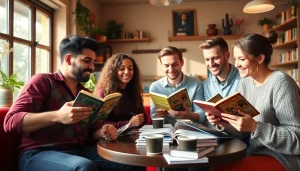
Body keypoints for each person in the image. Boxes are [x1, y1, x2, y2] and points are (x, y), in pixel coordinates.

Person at [3, 35, 145, 171]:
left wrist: (104, 131)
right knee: (84, 166)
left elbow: (95, 130)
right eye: (87, 61)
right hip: (38, 153)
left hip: (78, 152)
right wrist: (57, 116)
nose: (92, 67)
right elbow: (10, 122)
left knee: (134, 163)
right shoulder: (42, 82)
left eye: (93, 62)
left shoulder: (86, 94)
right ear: (69, 59)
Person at [206, 32, 300, 170]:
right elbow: (243, 131)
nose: (236, 65)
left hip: (282, 158)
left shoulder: (281, 83)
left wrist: (256, 127)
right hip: (254, 152)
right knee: (214, 165)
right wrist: (223, 121)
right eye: (235, 59)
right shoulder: (245, 83)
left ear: (260, 58)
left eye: (242, 59)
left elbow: (297, 139)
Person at [149, 46, 205, 125]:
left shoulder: (196, 84)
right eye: (166, 65)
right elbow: (153, 115)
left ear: (182, 63)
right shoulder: (155, 87)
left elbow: (202, 115)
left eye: (174, 64)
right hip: (166, 131)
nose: (171, 69)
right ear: (161, 65)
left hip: (190, 131)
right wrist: (158, 115)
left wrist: (190, 115)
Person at [94, 53, 147, 129]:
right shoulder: (104, 92)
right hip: (110, 138)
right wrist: (128, 123)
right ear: (113, 72)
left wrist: (139, 120)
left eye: (130, 69)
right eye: (122, 69)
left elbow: (143, 119)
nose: (127, 72)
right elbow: (99, 124)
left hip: (133, 136)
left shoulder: (134, 90)